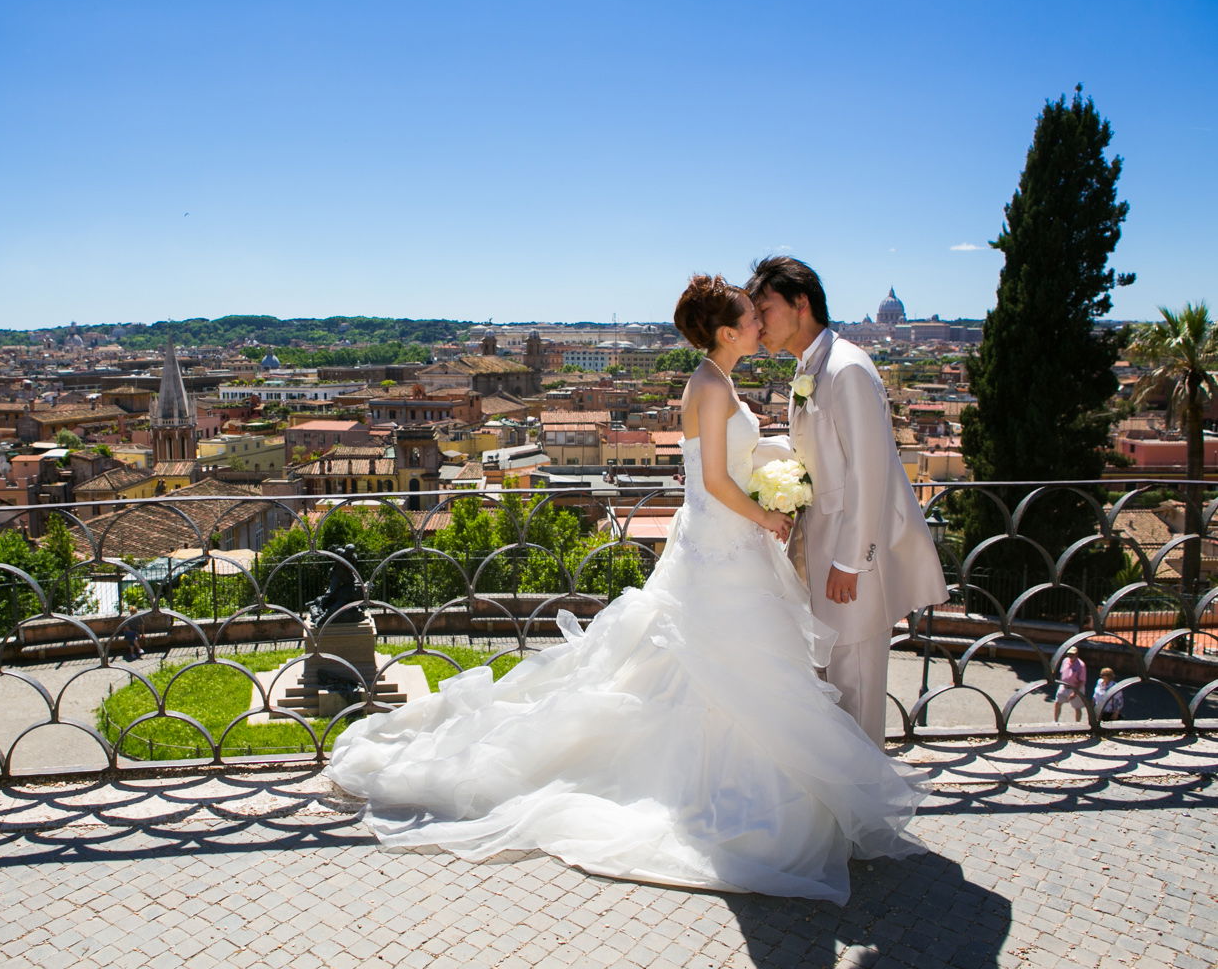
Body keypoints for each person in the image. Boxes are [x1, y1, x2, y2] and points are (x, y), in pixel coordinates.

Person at [326, 275, 929, 905]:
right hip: (724, 543)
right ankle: (736, 787)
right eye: (750, 317)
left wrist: (779, 474)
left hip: (722, 547)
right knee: (727, 666)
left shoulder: (715, 381)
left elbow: (731, 466)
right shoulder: (712, 385)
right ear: (727, 332)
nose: (759, 324)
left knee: (718, 669)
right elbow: (721, 482)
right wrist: (769, 514)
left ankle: (751, 779)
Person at [749, 257, 949, 747]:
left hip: (850, 567)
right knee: (833, 693)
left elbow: (870, 472)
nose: (756, 322)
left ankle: (866, 819)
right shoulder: (811, 367)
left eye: (764, 309)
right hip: (822, 559)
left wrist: (850, 562)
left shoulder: (847, 368)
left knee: (855, 691)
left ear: (801, 304)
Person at [1054, 645, 1088, 722]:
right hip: (1064, 687)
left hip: (1075, 689)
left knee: (1077, 708)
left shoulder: (1081, 665)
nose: (1070, 656)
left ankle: (1077, 724)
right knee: (1057, 703)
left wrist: (1075, 693)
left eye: (1072, 654)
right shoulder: (1065, 661)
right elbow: (1062, 673)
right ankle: (1055, 721)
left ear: (1076, 654)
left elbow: (1082, 681)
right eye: (1069, 654)